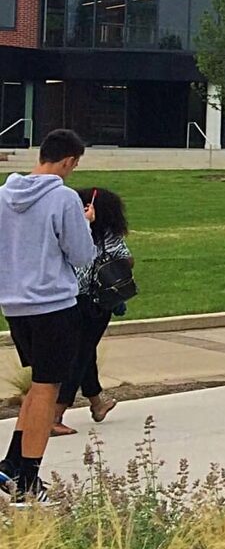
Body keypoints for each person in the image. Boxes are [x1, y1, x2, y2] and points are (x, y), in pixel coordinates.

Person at [0, 129, 95, 503]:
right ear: (69, 160)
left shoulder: (5, 195)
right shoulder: (64, 198)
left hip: (14, 304)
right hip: (53, 304)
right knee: (47, 389)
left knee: (36, 387)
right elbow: (82, 254)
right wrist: (85, 223)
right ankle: (29, 480)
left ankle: (11, 464)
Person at [53, 186, 132, 435]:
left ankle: (97, 402)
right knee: (79, 355)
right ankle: (56, 413)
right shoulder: (103, 234)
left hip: (68, 299)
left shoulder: (67, 231)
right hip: (94, 301)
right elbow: (126, 259)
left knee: (85, 352)